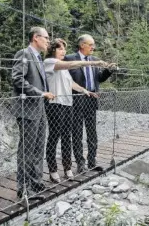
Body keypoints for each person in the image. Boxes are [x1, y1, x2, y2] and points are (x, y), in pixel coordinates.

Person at [43, 38, 108, 183]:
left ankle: (67, 168)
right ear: (53, 50)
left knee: (67, 137)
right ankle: (53, 170)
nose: (63, 52)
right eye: (60, 49)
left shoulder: (63, 68)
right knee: (54, 137)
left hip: (67, 104)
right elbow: (72, 63)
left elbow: (71, 83)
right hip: (55, 104)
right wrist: (92, 62)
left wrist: (86, 91)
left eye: (64, 49)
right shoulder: (50, 63)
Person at [12, 26, 55, 199]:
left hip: (39, 108)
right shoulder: (24, 54)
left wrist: (43, 95)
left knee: (38, 148)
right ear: (36, 38)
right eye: (46, 38)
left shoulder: (38, 57)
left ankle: (36, 183)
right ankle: (23, 188)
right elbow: (17, 79)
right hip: (28, 109)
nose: (48, 41)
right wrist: (40, 93)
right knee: (26, 150)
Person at [64, 34, 117, 173]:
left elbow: (99, 78)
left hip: (92, 99)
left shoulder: (94, 60)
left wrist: (108, 70)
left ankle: (92, 162)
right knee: (76, 133)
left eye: (93, 44)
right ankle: (80, 164)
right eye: (91, 44)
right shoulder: (70, 59)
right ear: (82, 45)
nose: (93, 47)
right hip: (76, 100)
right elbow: (66, 80)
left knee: (92, 132)